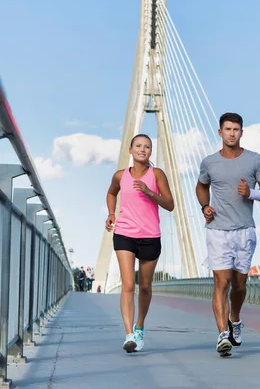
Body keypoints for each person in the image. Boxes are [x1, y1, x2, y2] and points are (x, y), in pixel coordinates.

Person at [196, 112, 260, 357]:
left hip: (244, 231)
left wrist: (251, 193)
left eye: (236, 129)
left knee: (239, 285)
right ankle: (222, 335)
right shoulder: (209, 162)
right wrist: (204, 206)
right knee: (221, 282)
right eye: (227, 129)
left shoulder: (254, 160)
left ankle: (235, 319)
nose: (232, 133)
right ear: (220, 132)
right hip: (217, 230)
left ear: (241, 132)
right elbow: (201, 185)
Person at [104, 133, 174, 353]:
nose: (142, 150)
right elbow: (111, 192)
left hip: (150, 236)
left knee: (144, 286)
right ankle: (129, 335)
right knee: (127, 285)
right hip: (124, 233)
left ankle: (140, 326)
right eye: (138, 146)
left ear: (150, 152)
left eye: (147, 147)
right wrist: (111, 213)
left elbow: (170, 204)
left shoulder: (157, 174)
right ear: (130, 150)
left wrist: (150, 192)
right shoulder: (119, 176)